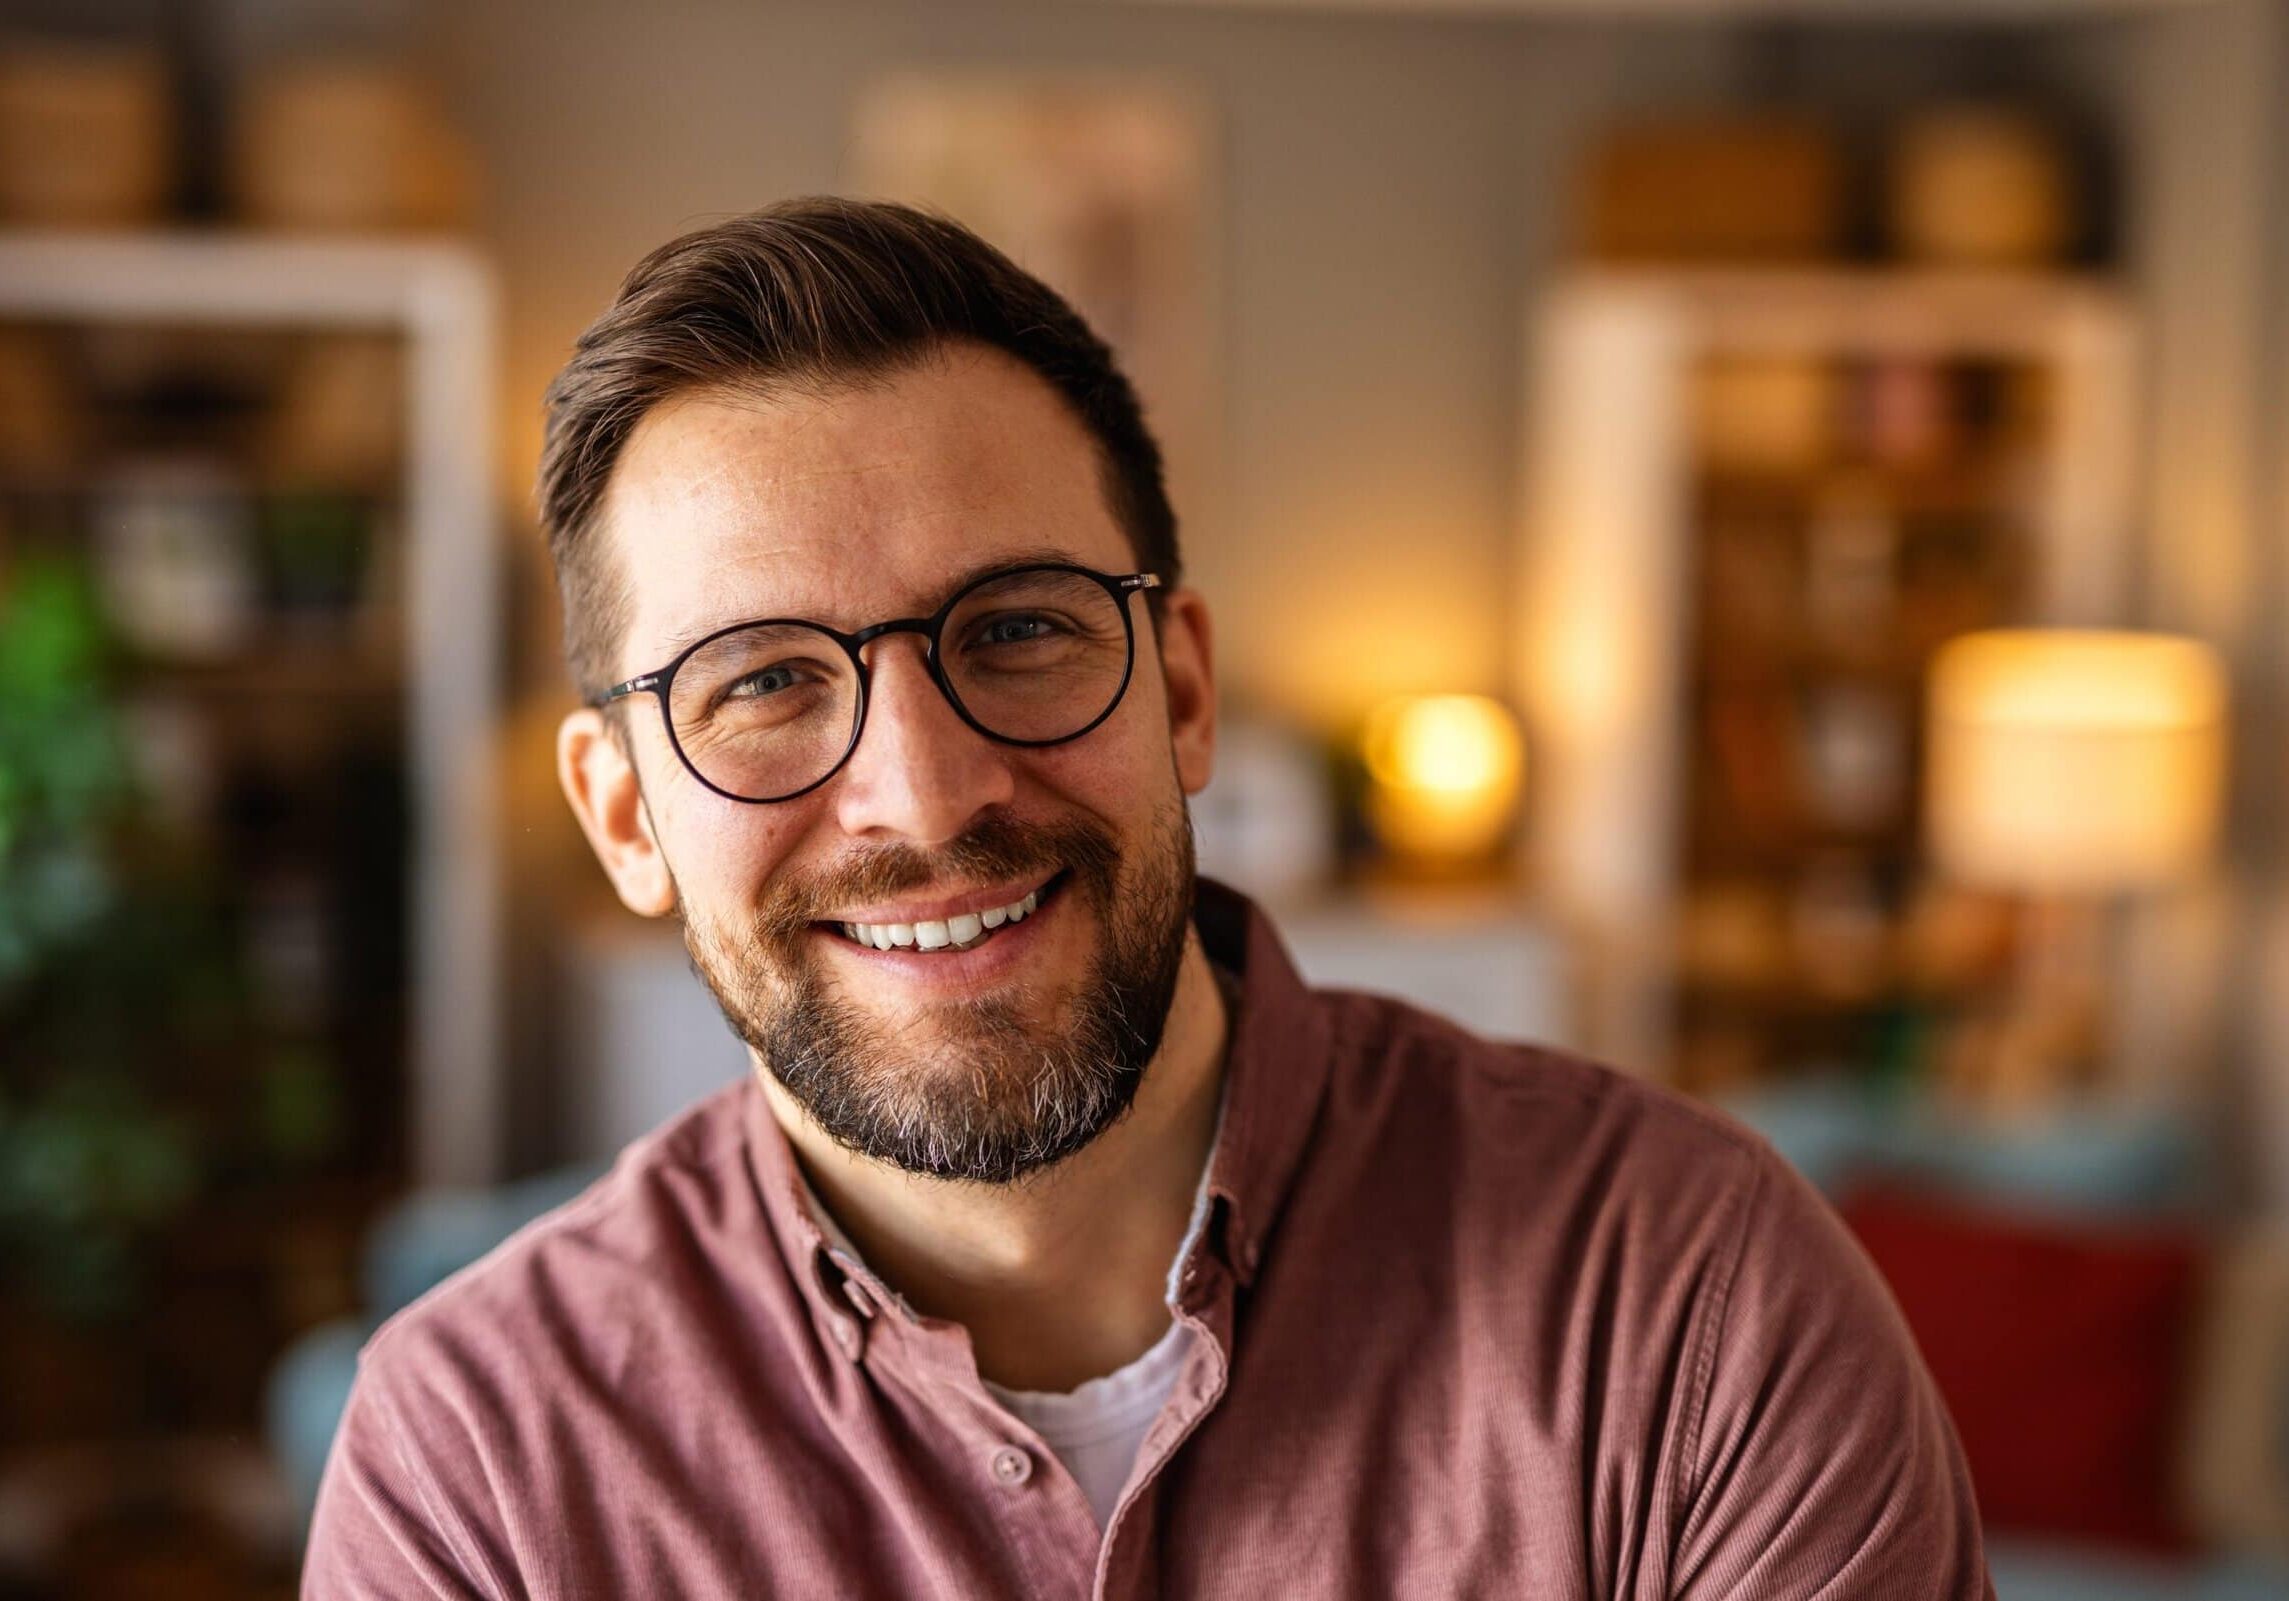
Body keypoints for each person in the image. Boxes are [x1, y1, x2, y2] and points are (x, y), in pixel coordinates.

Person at [303, 196, 1991, 1600]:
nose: (924, 791)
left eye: (1018, 628)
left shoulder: (1687, 1299)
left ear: (1181, 690)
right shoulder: (480, 1470)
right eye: (761, 682)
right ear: (623, 816)